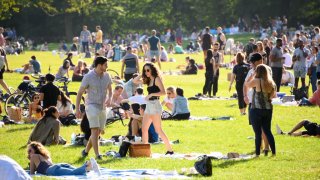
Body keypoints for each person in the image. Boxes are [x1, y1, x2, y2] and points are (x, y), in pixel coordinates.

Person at [76, 56, 112, 160]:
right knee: (95, 130)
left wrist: (109, 98)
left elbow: (110, 89)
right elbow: (79, 93)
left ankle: (86, 151)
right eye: (106, 64)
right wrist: (77, 109)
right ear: (100, 65)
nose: (107, 66)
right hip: (91, 105)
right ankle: (97, 155)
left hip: (102, 106)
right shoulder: (88, 76)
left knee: (99, 131)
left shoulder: (107, 76)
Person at [138, 63, 173, 154]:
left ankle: (170, 150)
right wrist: (141, 74)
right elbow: (134, 81)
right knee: (144, 129)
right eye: (145, 71)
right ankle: (145, 151)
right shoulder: (148, 80)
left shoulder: (157, 79)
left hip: (155, 104)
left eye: (148, 70)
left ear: (152, 70)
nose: (146, 72)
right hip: (149, 105)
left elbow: (163, 92)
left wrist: (151, 94)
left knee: (158, 129)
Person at [244, 64, 277, 157]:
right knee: (268, 131)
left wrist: (252, 74)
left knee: (258, 133)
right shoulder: (271, 83)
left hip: (256, 109)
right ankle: (274, 152)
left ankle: (257, 154)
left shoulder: (257, 81)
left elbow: (247, 84)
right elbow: (273, 96)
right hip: (268, 109)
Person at [27, 141, 101, 176]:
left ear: (35, 149)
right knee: (75, 170)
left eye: (30, 150)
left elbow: (31, 173)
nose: (29, 153)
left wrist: (32, 165)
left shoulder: (34, 157)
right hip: (57, 166)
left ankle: (89, 166)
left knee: (72, 173)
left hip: (51, 170)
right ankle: (89, 165)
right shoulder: (45, 156)